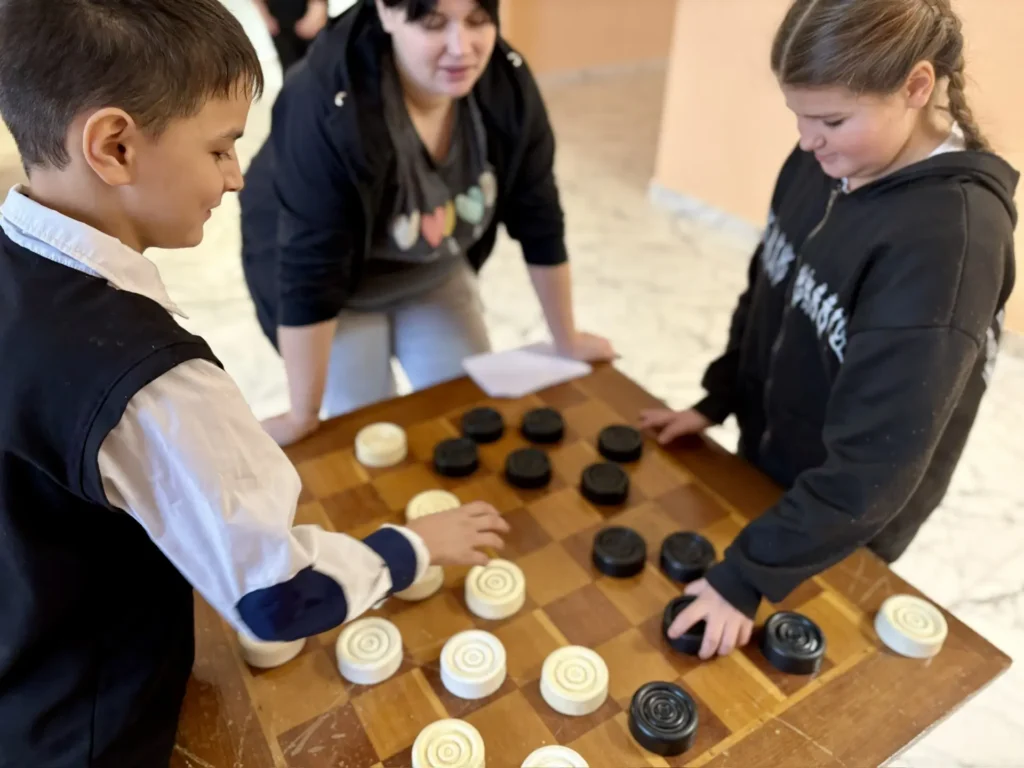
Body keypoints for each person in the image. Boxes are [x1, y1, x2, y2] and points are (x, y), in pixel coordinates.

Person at [0, 2, 507, 766]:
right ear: (114, 146)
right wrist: (412, 547)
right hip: (93, 731)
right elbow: (277, 598)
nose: (238, 178)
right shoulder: (154, 384)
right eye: (221, 147)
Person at [642, 0, 1017, 660]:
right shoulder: (828, 160)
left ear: (917, 86)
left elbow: (877, 466)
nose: (806, 140)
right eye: (799, 116)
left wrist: (747, 577)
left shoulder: (948, 243)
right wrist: (720, 395)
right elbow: (771, 281)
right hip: (772, 470)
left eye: (831, 120)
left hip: (846, 520)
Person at [240, 0, 616, 447]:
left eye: (478, 21)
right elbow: (310, 265)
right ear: (386, 11)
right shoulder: (325, 99)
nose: (462, 48)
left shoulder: (506, 83)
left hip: (430, 270)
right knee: (366, 426)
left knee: (470, 412)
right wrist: (302, 414)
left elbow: (539, 214)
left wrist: (566, 338)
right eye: (434, 24)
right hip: (338, 293)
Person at [253, 0, 330, 72]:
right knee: (290, 69)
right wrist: (265, 15)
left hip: (308, 13)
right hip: (279, 22)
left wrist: (319, 6)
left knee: (321, 66)